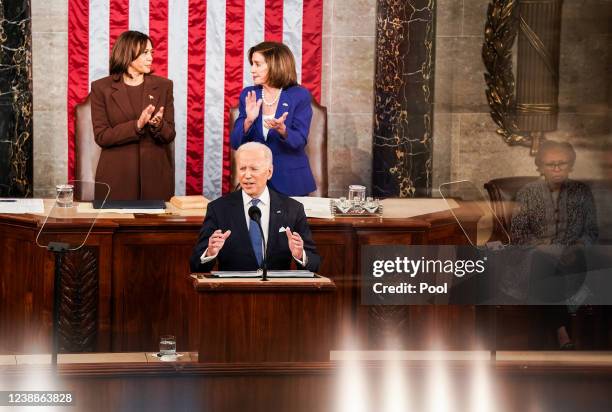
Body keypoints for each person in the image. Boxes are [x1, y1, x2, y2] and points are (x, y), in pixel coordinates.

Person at [511, 140, 598, 349]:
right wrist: (545, 248)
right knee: (544, 263)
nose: (557, 168)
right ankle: (562, 332)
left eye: (563, 163)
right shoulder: (527, 193)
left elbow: (592, 232)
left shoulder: (582, 192)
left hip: (574, 258)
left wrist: (576, 246)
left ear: (571, 165)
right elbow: (518, 235)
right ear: (540, 167)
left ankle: (547, 337)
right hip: (536, 258)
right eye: (551, 164)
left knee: (556, 267)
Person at [190, 142, 321, 273]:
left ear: (269, 172)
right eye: (242, 168)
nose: (247, 175)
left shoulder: (293, 209)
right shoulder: (218, 209)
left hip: (277, 290)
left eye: (254, 169)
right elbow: (196, 266)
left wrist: (300, 255)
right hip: (233, 291)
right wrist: (210, 253)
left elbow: (314, 264)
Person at [90, 30, 175, 200]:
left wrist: (158, 124)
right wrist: (137, 125)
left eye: (151, 52)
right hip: (116, 180)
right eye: (145, 53)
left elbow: (170, 134)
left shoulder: (164, 85)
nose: (151, 57)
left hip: (156, 181)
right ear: (128, 53)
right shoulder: (101, 88)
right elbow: (102, 136)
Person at [230, 41, 316, 196]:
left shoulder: (299, 95)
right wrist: (249, 120)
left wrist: (283, 130)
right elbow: (236, 142)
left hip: (290, 182)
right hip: (254, 183)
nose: (252, 70)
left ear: (275, 65)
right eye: (252, 64)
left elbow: (300, 141)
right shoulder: (249, 94)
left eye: (257, 64)